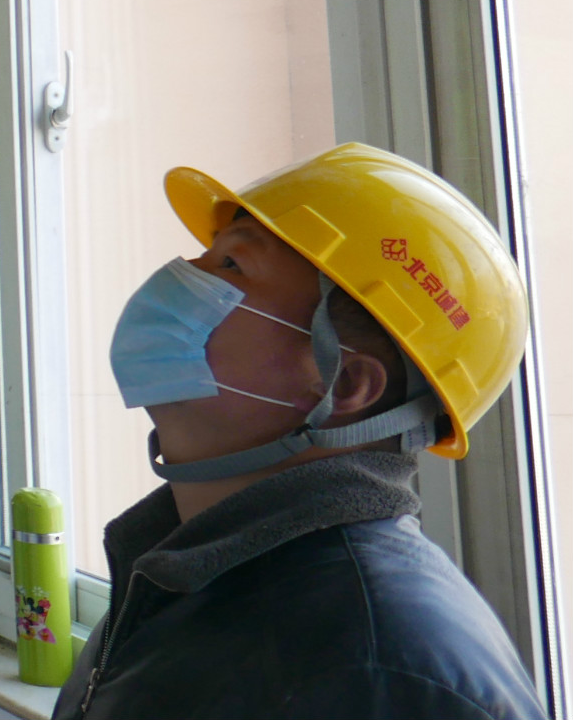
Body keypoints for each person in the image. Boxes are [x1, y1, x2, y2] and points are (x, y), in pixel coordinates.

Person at [58, 142, 543, 719]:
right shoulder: (182, 569)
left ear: (343, 383)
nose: (180, 275)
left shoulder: (373, 663)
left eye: (231, 266)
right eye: (208, 255)